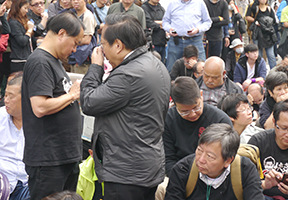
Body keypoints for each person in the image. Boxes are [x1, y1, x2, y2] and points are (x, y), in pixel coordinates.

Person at [80, 13, 170, 200]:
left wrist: (96, 67)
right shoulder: (154, 62)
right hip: (145, 165)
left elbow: (89, 102)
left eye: (103, 44)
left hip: (126, 172)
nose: (101, 50)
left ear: (118, 45)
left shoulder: (129, 75)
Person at [22, 11, 84, 199]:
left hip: (63, 155)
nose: (74, 50)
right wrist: (72, 96)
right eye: (75, 43)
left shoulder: (53, 61)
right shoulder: (40, 62)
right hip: (49, 159)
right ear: (62, 33)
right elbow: (40, 107)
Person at [165, 123, 265, 200]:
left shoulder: (244, 170)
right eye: (199, 150)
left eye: (210, 156)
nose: (200, 159)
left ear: (228, 161)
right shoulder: (183, 170)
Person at [164, 76, 233, 177]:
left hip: (213, 174)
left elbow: (225, 159)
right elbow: (168, 160)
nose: (192, 114)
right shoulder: (168, 120)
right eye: (184, 112)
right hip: (180, 173)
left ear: (201, 95)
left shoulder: (220, 120)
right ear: (174, 105)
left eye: (196, 108)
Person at [248, 99, 288, 199]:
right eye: (284, 128)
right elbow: (244, 184)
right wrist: (264, 184)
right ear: (274, 122)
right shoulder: (258, 142)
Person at [0, 74, 31, 200]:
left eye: (10, 96)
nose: (5, 100)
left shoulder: (41, 122)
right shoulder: (1, 117)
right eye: (5, 95)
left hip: (28, 183)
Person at [162, 0, 212, 72]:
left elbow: (208, 22)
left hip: (195, 40)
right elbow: (165, 22)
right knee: (171, 68)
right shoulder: (172, 3)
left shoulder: (199, 3)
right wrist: (169, 29)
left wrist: (198, 29)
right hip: (176, 41)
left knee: (201, 68)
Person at [245, 0, 277, 69]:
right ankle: (259, 71)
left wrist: (266, 23)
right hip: (258, 33)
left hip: (268, 34)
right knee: (258, 54)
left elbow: (274, 20)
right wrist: (256, 21)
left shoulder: (269, 9)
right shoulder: (254, 7)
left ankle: (274, 73)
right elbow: (247, 17)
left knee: (271, 55)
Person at [69, 0, 97, 74]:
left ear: (85, 1)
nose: (75, 2)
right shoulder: (73, 15)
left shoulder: (88, 16)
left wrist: (71, 42)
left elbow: (87, 40)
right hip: (74, 57)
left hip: (84, 59)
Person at [8, 0, 36, 73]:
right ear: (18, 8)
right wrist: (29, 30)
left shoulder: (24, 20)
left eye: (27, 9)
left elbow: (32, 39)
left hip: (28, 58)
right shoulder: (13, 23)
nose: (27, 11)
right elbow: (22, 41)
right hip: (19, 60)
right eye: (25, 8)